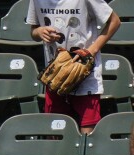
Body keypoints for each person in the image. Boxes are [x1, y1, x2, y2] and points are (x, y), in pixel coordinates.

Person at [29, 0, 121, 134]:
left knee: (88, 136)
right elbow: (33, 30)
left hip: (86, 78)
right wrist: (39, 32)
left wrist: (91, 51)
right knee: (55, 137)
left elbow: (115, 21)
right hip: (55, 78)